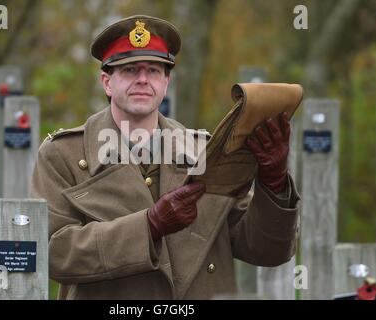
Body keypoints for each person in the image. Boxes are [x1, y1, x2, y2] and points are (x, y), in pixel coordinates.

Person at [31, 15, 300, 299]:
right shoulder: (63, 155)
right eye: (130, 70)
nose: (143, 80)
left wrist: (273, 183)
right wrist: (148, 226)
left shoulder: (205, 153)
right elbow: (52, 252)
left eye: (154, 70)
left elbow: (265, 250)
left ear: (166, 82)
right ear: (107, 83)